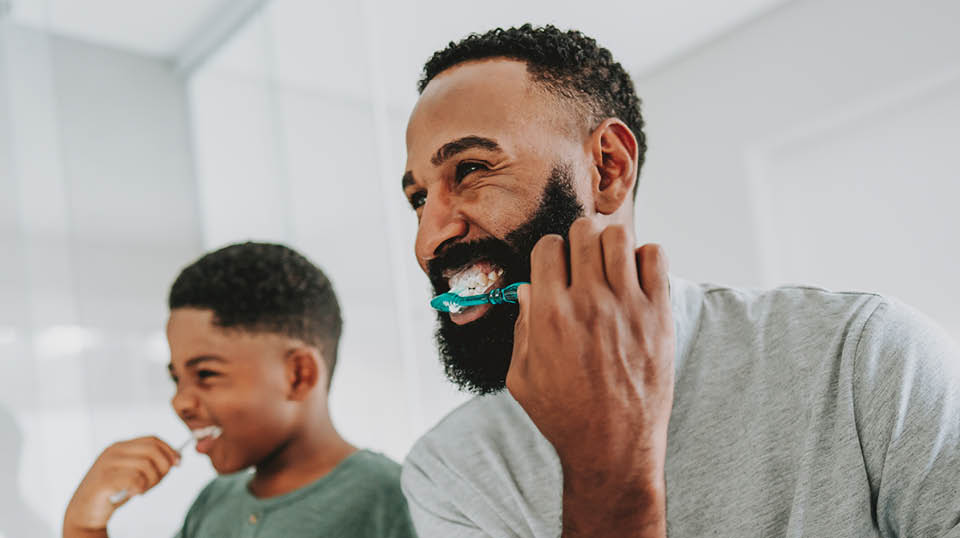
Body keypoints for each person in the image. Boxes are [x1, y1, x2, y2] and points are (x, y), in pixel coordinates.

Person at [399, 24, 960, 537]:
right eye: (419, 199)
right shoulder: (451, 469)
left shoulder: (868, 361)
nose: (428, 241)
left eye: (471, 169)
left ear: (607, 168)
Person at [63, 242, 416, 538]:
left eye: (206, 373)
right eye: (176, 379)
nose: (180, 401)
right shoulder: (214, 501)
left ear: (298, 374)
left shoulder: (392, 499)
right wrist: (85, 523)